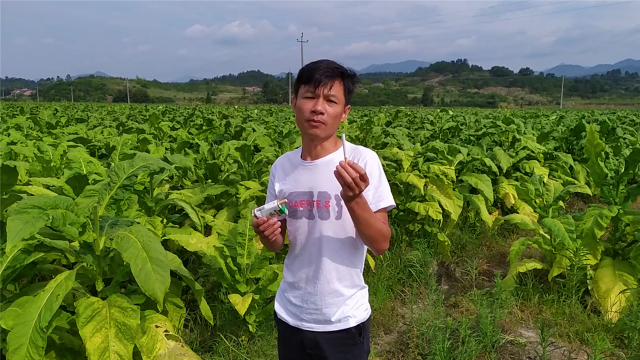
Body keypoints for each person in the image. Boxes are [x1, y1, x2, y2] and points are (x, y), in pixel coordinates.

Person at [252, 59, 396, 360]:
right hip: (291, 313)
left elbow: (381, 243)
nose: (318, 108)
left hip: (342, 318)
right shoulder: (283, 166)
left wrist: (354, 198)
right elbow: (278, 244)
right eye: (309, 96)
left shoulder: (361, 161)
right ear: (294, 103)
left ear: (344, 114)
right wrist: (267, 235)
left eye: (330, 100)